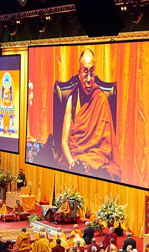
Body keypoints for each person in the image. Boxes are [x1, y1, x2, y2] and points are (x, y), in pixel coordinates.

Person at [59, 48, 120, 180]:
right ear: (79, 73)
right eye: (85, 72)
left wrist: (87, 162)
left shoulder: (101, 100)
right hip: (73, 157)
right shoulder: (73, 99)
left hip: (94, 159)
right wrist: (71, 162)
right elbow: (64, 141)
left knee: (103, 167)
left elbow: (105, 148)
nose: (88, 79)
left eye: (91, 73)